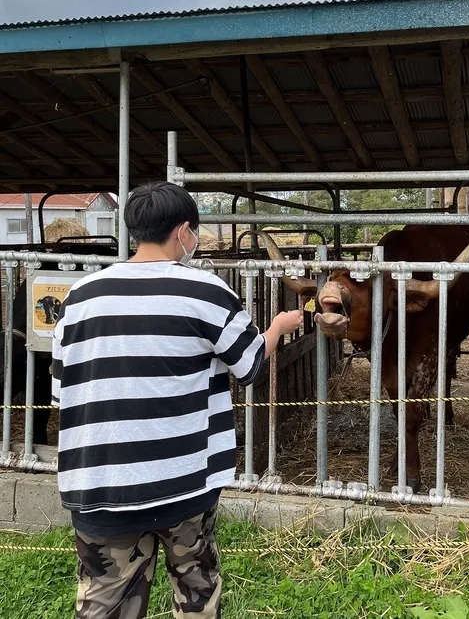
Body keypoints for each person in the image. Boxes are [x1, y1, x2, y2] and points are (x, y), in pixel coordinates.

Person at [51, 181, 303, 619]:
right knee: (195, 585)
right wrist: (278, 328)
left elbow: (61, 391)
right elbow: (250, 366)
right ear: (184, 231)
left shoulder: (78, 298)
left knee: (104, 598)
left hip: (99, 482)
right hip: (182, 482)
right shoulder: (205, 291)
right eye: (196, 233)